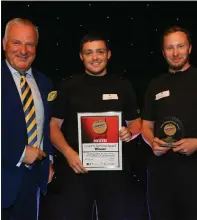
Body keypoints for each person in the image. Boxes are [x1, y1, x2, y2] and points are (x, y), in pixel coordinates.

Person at [48, 32, 141, 220]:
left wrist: (129, 132)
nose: (95, 57)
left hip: (115, 173)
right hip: (77, 171)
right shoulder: (68, 86)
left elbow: (136, 123)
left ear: (109, 54)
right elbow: (53, 126)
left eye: (100, 52)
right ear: (81, 56)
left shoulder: (123, 85)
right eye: (88, 53)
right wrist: (68, 153)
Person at [141, 25, 197, 220]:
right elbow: (146, 126)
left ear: (189, 48)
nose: (175, 53)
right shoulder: (155, 85)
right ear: (163, 52)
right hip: (161, 174)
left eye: (180, 46)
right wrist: (152, 142)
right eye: (169, 48)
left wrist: (196, 142)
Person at [2, 18, 55, 220]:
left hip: (33, 181)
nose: (23, 50)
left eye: (30, 44)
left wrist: (48, 159)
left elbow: (46, 125)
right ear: (3, 43)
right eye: (16, 42)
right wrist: (20, 152)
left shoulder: (44, 82)